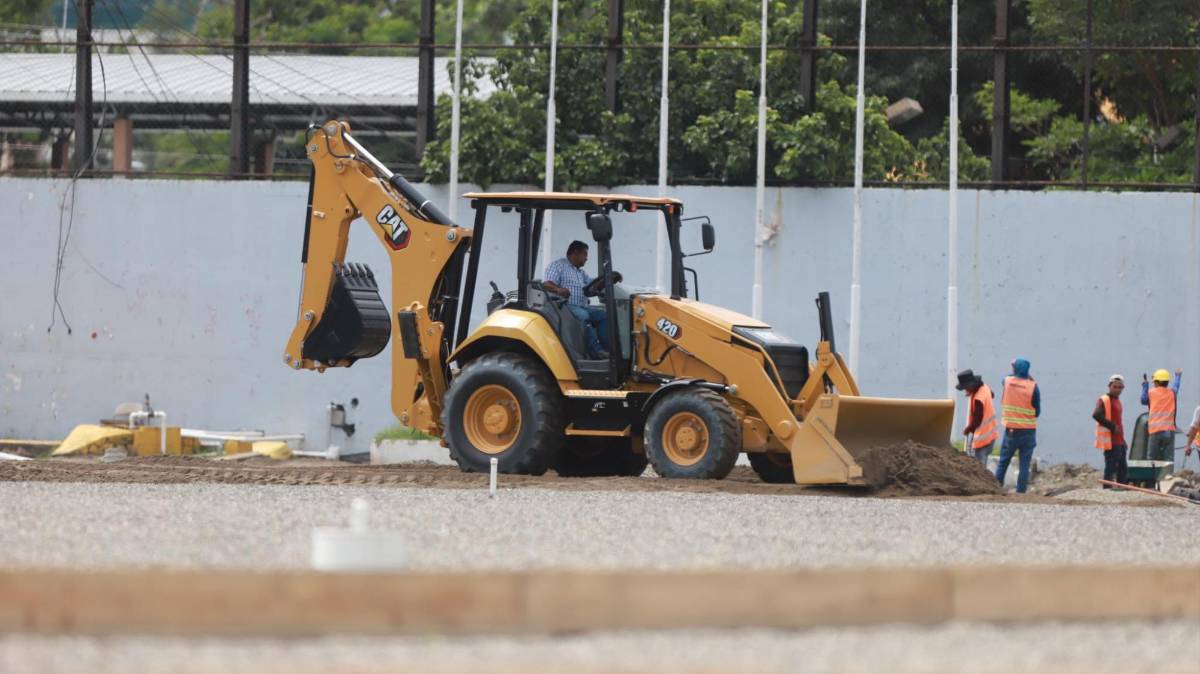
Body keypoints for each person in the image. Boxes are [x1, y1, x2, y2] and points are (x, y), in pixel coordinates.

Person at [542, 240, 621, 360]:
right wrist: (559, 290)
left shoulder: (581, 272)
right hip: (565, 306)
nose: (586, 258)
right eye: (585, 254)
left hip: (582, 305)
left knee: (604, 315)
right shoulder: (558, 265)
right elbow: (546, 284)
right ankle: (596, 351)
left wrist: (608, 280)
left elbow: (591, 287)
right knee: (584, 316)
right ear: (575, 253)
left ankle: (607, 349)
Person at [995, 357, 1040, 493]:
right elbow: (1037, 411)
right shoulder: (1033, 386)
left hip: (1012, 431)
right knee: (1024, 465)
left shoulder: (1008, 381)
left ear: (1015, 370)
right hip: (1029, 432)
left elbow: (1006, 377)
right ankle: (1021, 492)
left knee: (1004, 461)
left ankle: (996, 489)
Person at [956, 369, 997, 466]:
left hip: (983, 438)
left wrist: (968, 429)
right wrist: (971, 394)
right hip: (991, 434)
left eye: (966, 388)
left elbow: (977, 420)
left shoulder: (979, 399)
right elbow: (992, 394)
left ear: (971, 385)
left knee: (979, 468)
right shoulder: (985, 387)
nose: (965, 390)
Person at [1092, 374, 1127, 487]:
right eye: (1114, 386)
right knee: (1110, 468)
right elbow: (1096, 414)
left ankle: (1121, 490)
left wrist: (1123, 440)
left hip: (1119, 441)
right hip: (1111, 441)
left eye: (1119, 387)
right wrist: (1112, 427)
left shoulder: (1117, 401)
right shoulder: (1104, 399)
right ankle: (1107, 491)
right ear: (1109, 386)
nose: (1117, 389)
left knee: (1122, 468)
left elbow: (1119, 422)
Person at [1141, 368, 1181, 463]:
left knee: (1151, 458)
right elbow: (1176, 386)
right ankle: (1168, 476)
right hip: (1169, 431)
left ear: (1157, 382)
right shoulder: (1172, 393)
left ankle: (1151, 477)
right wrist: (1178, 376)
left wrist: (1145, 385)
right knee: (1169, 459)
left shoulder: (1151, 392)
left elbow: (1143, 400)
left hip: (1155, 431)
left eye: (1154, 382)